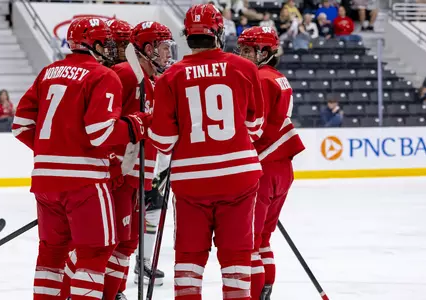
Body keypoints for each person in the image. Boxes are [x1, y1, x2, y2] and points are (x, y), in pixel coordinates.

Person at [12, 17, 151, 300]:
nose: (113, 49)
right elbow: (100, 133)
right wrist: (138, 124)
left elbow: (20, 125)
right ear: (95, 44)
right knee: (96, 251)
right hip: (85, 181)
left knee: (51, 255)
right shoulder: (103, 75)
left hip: (44, 181)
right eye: (108, 43)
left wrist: (52, 154)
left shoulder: (49, 71)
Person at [149, 4, 265, 299]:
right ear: (218, 33)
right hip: (239, 176)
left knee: (189, 259)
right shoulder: (246, 68)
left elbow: (162, 141)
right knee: (237, 258)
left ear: (187, 34)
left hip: (192, 181)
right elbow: (255, 128)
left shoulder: (169, 77)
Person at [103, 20, 174, 300]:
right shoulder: (123, 74)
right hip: (120, 173)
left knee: (129, 241)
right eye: (164, 47)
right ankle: (104, 293)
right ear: (147, 48)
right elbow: (102, 124)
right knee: (113, 240)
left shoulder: (153, 81)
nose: (169, 53)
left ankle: (116, 291)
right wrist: (111, 165)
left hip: (140, 174)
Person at [237, 26, 305, 300]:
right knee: (263, 240)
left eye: (246, 50)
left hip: (262, 167)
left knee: (249, 243)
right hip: (281, 168)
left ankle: (253, 295)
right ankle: (264, 292)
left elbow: (254, 126)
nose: (240, 55)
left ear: (264, 52)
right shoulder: (278, 78)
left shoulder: (261, 79)